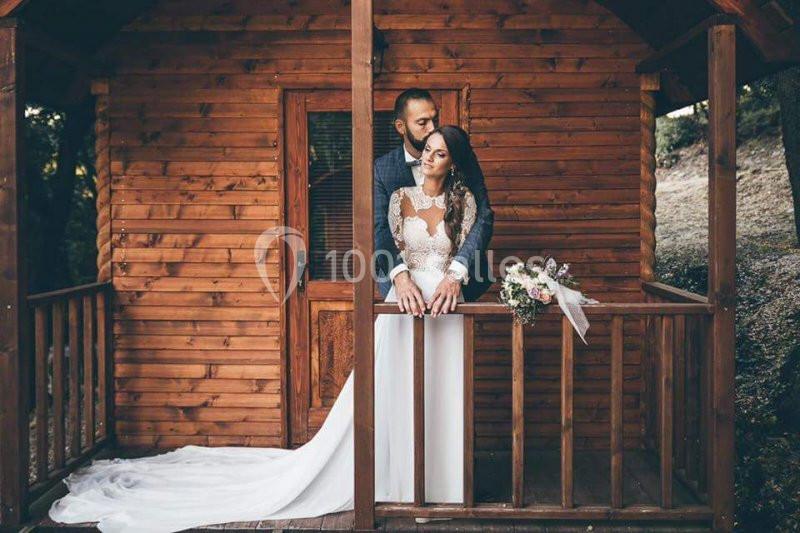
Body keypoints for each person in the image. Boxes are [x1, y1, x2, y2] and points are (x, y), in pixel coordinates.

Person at [47, 125, 485, 533]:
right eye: (427, 149)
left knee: (443, 391)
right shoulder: (400, 196)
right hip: (403, 303)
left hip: (448, 305)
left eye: (439, 153)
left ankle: (442, 490)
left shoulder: (464, 202)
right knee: (396, 390)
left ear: (453, 162)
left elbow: (467, 244)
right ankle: (404, 486)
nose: (428, 157)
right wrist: (403, 278)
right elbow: (386, 245)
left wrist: (455, 279)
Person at [374, 88, 495, 314]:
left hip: (455, 289)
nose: (432, 128)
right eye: (422, 122)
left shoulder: (462, 159)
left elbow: (484, 217)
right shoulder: (383, 169)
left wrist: (457, 273)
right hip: (402, 293)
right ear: (401, 127)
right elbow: (378, 227)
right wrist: (399, 277)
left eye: (434, 119)